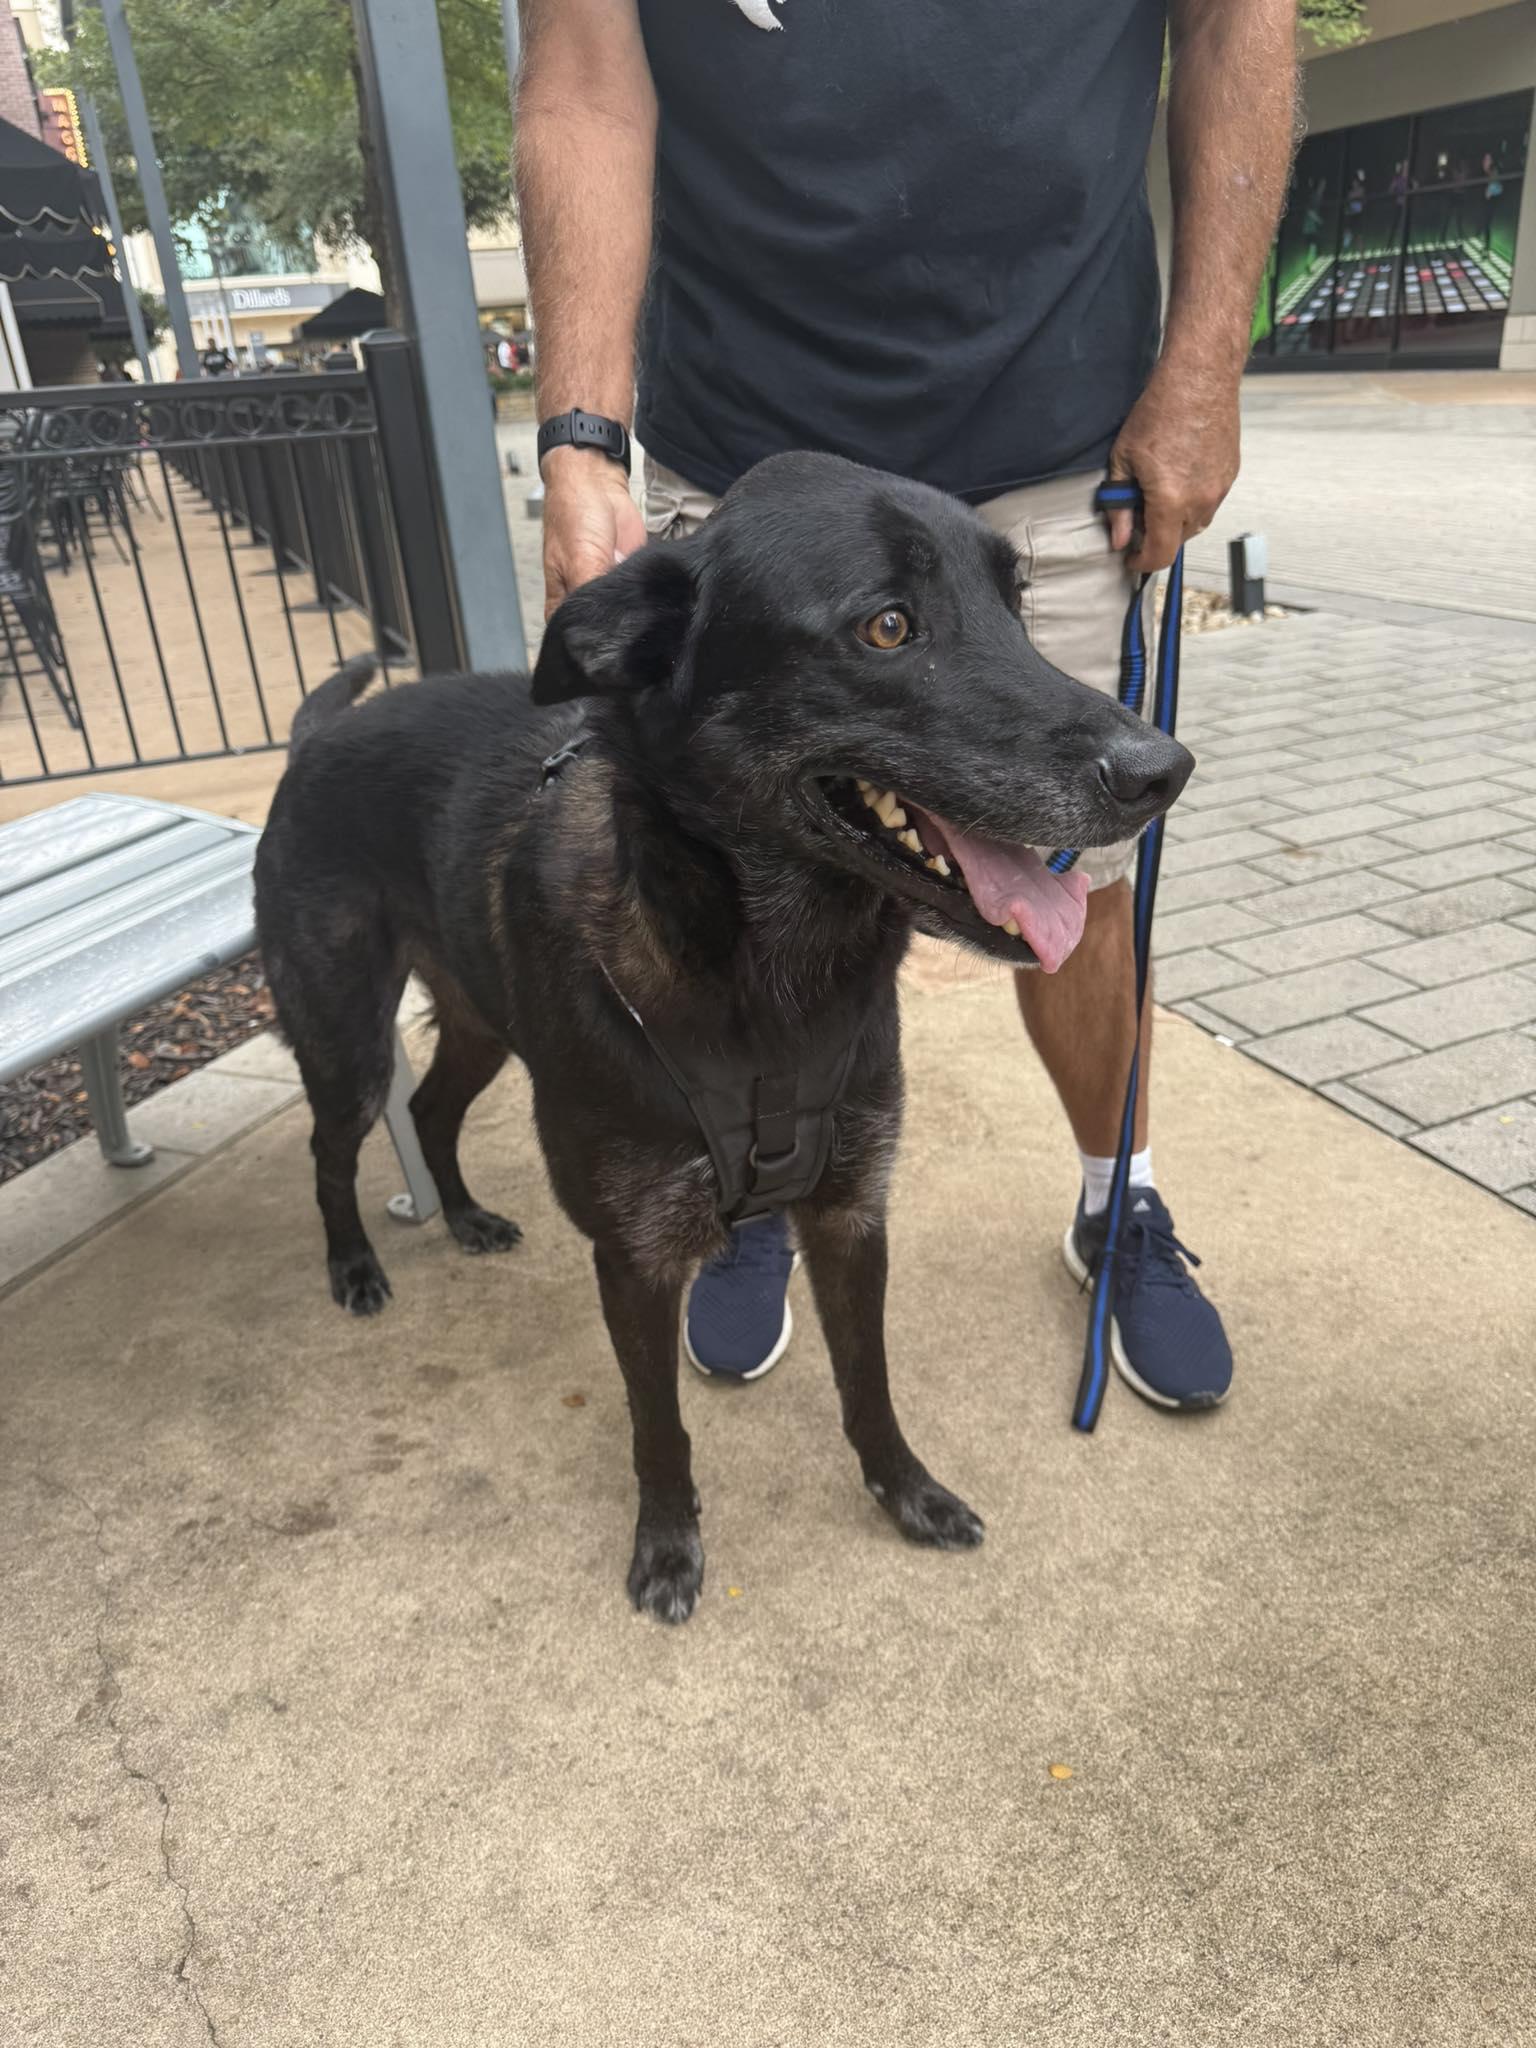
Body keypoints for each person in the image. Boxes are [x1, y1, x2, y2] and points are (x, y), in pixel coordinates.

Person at [516, 0, 1298, 1408]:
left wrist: (1206, 366)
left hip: (1053, 431)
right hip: (744, 466)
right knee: (727, 882)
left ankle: (1116, 1193)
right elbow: (583, 86)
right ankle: (753, 1190)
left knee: (1082, 862)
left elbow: (1240, 21)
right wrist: (580, 437)